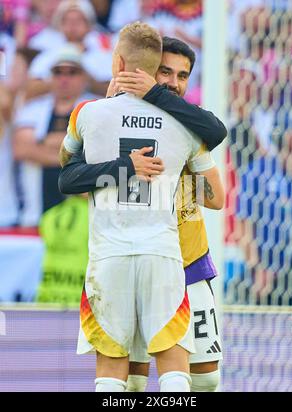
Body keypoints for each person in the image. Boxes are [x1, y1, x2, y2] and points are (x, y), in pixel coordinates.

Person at [60, 22, 224, 393]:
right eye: (165, 72)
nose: (174, 82)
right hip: (153, 254)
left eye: (183, 76)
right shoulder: (108, 116)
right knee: (137, 378)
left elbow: (215, 197)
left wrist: (180, 179)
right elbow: (75, 175)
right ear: (146, 70)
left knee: (207, 377)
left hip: (187, 259)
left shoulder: (186, 120)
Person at [13, 44, 95, 226]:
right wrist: (75, 154)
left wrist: (45, 143)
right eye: (58, 72)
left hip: (83, 219)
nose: (64, 78)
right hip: (36, 215)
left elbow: (99, 150)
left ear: (83, 77)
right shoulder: (32, 109)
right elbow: (21, 149)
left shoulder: (96, 109)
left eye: (72, 72)